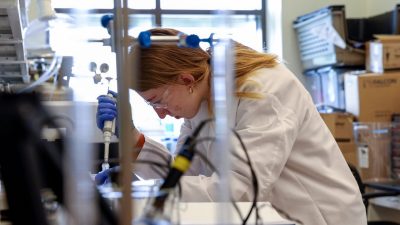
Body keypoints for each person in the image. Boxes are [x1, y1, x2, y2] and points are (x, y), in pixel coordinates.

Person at [96, 28, 367, 225]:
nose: (162, 115)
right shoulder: (198, 99)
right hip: (273, 215)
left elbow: (241, 188)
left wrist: (143, 192)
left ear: (186, 79)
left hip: (320, 217)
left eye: (158, 101)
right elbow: (187, 178)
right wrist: (134, 141)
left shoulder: (263, 89)